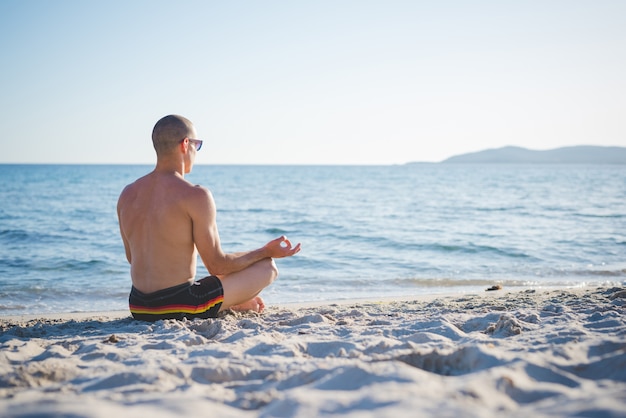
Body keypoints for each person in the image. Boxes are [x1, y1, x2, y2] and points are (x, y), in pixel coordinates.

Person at [117, 115, 301, 321]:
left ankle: (232, 301)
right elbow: (217, 265)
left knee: (212, 281)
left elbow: (132, 258)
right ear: (185, 144)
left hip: (139, 306)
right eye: (198, 145)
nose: (197, 152)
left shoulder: (127, 194)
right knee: (267, 267)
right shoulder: (195, 195)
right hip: (179, 305)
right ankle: (230, 301)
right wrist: (266, 251)